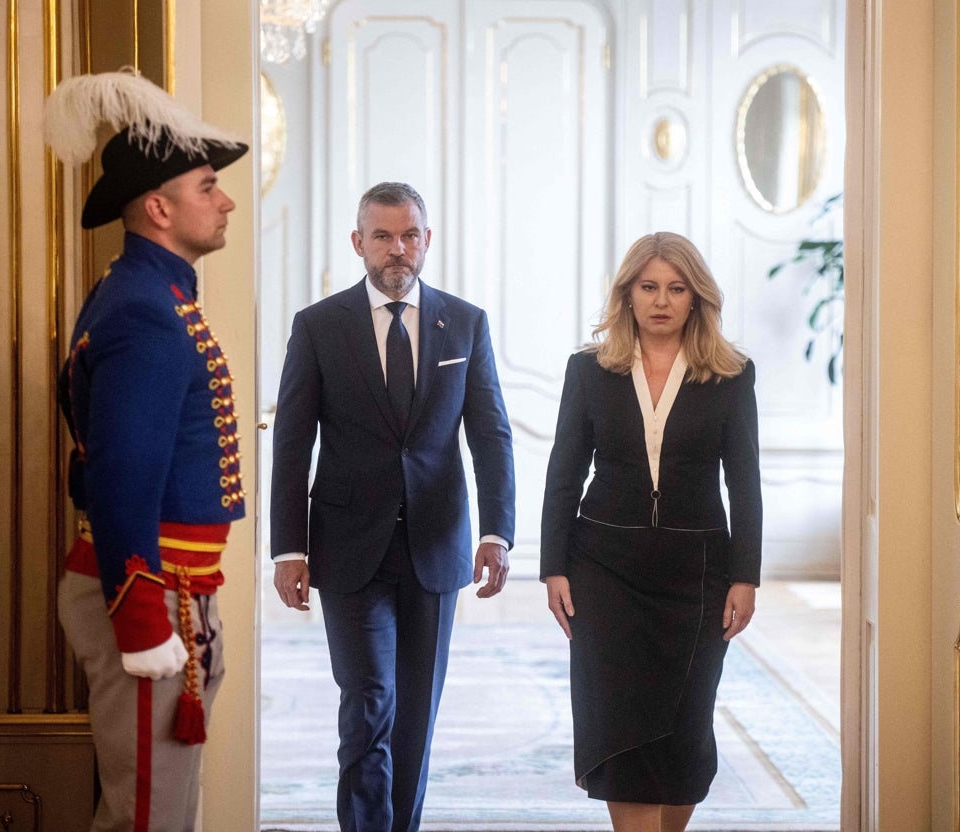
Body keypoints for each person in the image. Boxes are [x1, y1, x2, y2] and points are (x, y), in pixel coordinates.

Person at [269, 181, 516, 831]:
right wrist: (289, 548)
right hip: (348, 548)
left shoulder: (465, 323)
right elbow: (293, 445)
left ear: (427, 241)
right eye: (382, 236)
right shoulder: (319, 327)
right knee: (368, 701)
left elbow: (490, 435)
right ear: (359, 243)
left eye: (409, 235)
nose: (397, 249)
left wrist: (498, 533)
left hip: (436, 547)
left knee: (415, 717)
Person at [44, 69, 249, 830]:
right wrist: (141, 618)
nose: (225, 199)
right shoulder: (148, 311)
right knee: (147, 819)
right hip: (149, 587)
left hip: (172, 584)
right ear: (159, 208)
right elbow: (123, 475)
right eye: (207, 187)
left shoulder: (148, 292)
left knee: (161, 809)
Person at [540, 232, 762, 832]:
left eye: (676, 287)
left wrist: (746, 577)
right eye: (648, 287)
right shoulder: (588, 370)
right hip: (604, 571)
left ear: (696, 298)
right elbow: (564, 469)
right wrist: (553, 566)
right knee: (621, 727)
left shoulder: (731, 374)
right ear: (628, 295)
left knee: (687, 734)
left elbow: (745, 482)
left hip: (698, 574)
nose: (661, 300)